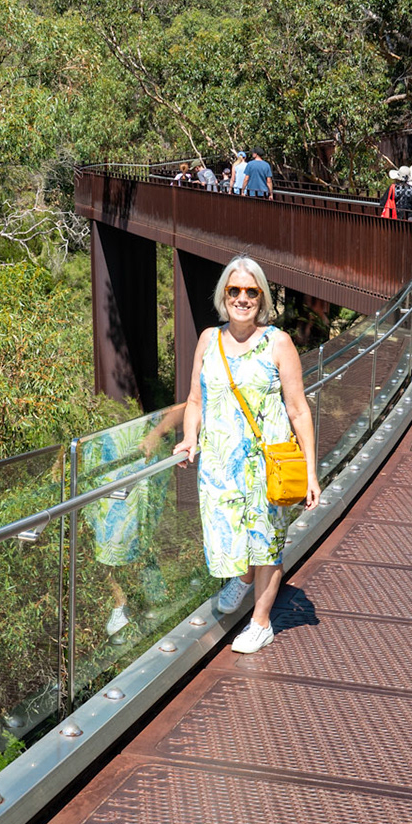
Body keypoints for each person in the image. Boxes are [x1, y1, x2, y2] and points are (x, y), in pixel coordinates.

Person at [174, 255, 320, 654]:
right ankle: (242, 578)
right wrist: (190, 438)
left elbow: (298, 410)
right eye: (234, 290)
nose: (242, 298)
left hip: (265, 467)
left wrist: (311, 472)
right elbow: (194, 401)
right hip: (220, 468)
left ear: (262, 297)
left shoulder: (278, 342)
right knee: (231, 541)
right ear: (224, 295)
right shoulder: (208, 339)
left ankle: (260, 623)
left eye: (250, 291)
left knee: (267, 543)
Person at [82, 404, 186, 642]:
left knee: (141, 530)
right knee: (105, 535)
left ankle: (150, 596)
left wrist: (157, 432)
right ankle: (120, 602)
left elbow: (187, 403)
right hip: (100, 455)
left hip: (143, 454)